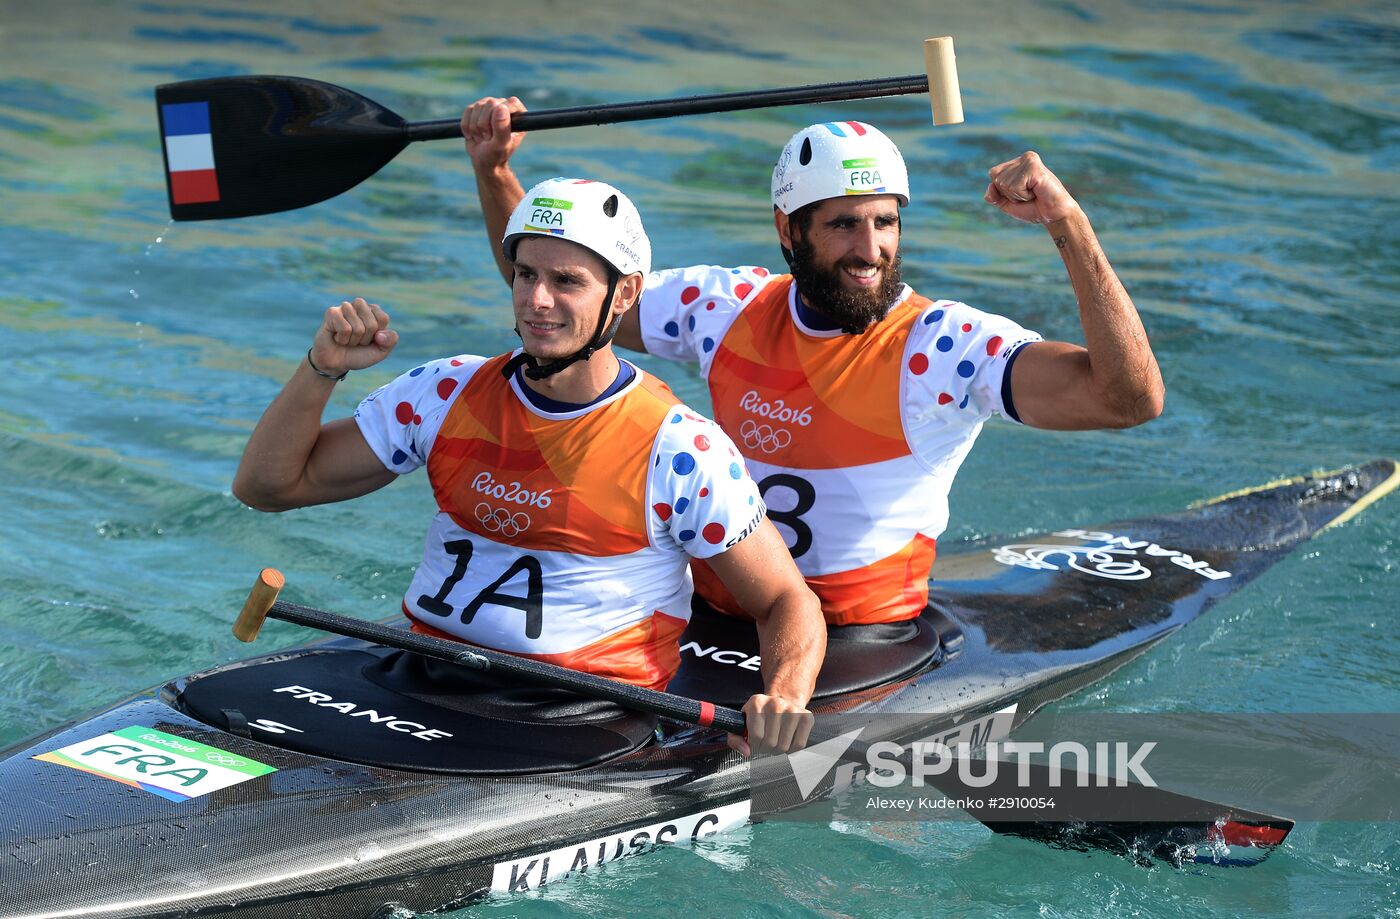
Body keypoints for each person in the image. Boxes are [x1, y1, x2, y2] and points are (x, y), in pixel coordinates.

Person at [462, 99, 1164, 628]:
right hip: (704, 611)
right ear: (787, 229)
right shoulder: (726, 305)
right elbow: (560, 302)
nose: (870, 248)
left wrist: (1067, 223)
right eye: (842, 224)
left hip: (862, 638)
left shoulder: (944, 347)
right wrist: (494, 171)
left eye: (885, 222)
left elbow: (1127, 400)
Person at [232, 177, 825, 754]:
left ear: (623, 293)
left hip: (580, 715)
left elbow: (786, 602)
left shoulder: (680, 449)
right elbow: (268, 487)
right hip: (424, 676)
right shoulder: (444, 392)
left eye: (566, 281)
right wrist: (322, 367)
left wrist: (784, 697)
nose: (537, 300)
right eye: (526, 275)